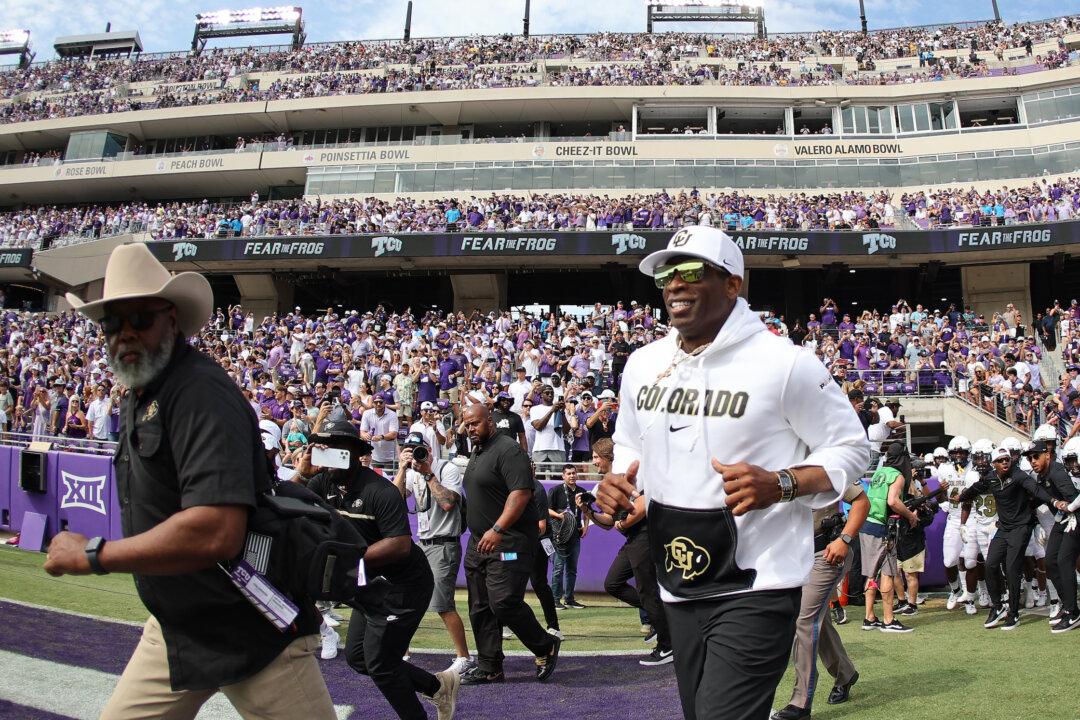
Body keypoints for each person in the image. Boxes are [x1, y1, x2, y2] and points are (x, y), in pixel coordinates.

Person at [44, 243, 337, 719]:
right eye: (111, 323)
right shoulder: (142, 391)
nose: (124, 334)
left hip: (252, 626)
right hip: (177, 626)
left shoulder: (199, 392)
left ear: (172, 319)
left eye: (140, 318)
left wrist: (93, 555)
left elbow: (215, 530)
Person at [596, 226, 869, 720]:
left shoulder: (784, 363)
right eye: (666, 274)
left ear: (732, 284)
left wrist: (782, 484)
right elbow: (629, 441)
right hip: (677, 580)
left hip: (758, 584)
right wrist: (620, 479)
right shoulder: (643, 363)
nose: (673, 284)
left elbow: (852, 447)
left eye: (690, 271)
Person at [301, 412, 459, 719]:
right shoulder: (322, 482)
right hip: (369, 584)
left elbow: (399, 545)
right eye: (323, 449)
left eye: (335, 449)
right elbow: (289, 505)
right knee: (359, 658)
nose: (327, 456)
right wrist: (304, 474)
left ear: (356, 454)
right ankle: (437, 687)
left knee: (381, 664)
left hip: (403, 586)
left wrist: (346, 559)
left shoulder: (380, 491)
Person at [458, 403, 560, 685]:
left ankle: (545, 645)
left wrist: (497, 528)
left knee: (503, 602)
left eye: (475, 423)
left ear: (489, 421)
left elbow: (520, 493)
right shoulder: (478, 451)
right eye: (466, 425)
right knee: (479, 606)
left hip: (508, 540)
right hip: (479, 542)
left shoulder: (508, 449)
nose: (471, 429)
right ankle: (490, 666)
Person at [773, 477, 869, 720]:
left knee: (803, 620)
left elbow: (861, 501)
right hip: (794, 556)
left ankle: (800, 702)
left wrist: (845, 539)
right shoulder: (775, 464)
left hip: (826, 552)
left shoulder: (825, 465)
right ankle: (845, 673)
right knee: (817, 620)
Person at [585, 438, 673, 666]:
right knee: (612, 583)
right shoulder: (602, 485)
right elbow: (606, 523)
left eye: (596, 457)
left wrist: (623, 524)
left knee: (647, 589)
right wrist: (587, 510)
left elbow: (643, 505)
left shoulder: (631, 474)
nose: (594, 462)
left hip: (645, 535)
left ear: (608, 457)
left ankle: (667, 645)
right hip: (632, 539)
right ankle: (661, 618)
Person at [392, 432, 475, 674]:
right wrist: (402, 468)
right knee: (408, 598)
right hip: (422, 543)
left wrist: (428, 473)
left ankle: (464, 657)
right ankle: (403, 652)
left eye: (419, 449)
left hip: (444, 543)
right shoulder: (409, 473)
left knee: (442, 603)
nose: (416, 454)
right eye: (410, 449)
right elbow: (395, 501)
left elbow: (448, 503)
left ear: (430, 449)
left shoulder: (446, 468)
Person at [952, 445, 1057, 630]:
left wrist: (1054, 501)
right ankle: (998, 606)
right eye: (1000, 461)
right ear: (994, 464)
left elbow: (1035, 489)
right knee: (991, 564)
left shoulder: (1018, 475)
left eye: (1007, 459)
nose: (1004, 463)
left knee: (1011, 568)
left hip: (1021, 527)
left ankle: (1014, 613)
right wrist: (960, 497)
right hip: (1004, 528)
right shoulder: (991, 478)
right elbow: (976, 488)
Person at [860, 443, 918, 633]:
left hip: (866, 524)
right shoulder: (897, 476)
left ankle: (869, 617)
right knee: (888, 572)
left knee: (871, 573)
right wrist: (910, 515)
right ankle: (888, 619)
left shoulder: (879, 472)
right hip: (882, 528)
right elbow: (893, 501)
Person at [1025, 440, 1080, 633]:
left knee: (1064, 561)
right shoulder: (1043, 475)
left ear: (1047, 455)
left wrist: (1069, 509)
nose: (1032, 461)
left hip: (1075, 518)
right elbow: (1052, 502)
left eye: (1035, 456)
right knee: (1049, 561)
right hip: (1063, 518)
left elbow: (1072, 500)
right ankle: (1068, 605)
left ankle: (1073, 612)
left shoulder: (1057, 473)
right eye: (1030, 458)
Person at [548, 464, 588, 609]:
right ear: (563, 476)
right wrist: (559, 515)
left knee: (572, 569)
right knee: (558, 568)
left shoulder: (582, 492)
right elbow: (547, 509)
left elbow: (587, 510)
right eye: (569, 474)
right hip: (561, 535)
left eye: (574, 473)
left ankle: (569, 599)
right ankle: (555, 600)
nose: (572, 476)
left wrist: (586, 526)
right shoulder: (556, 490)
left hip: (576, 534)